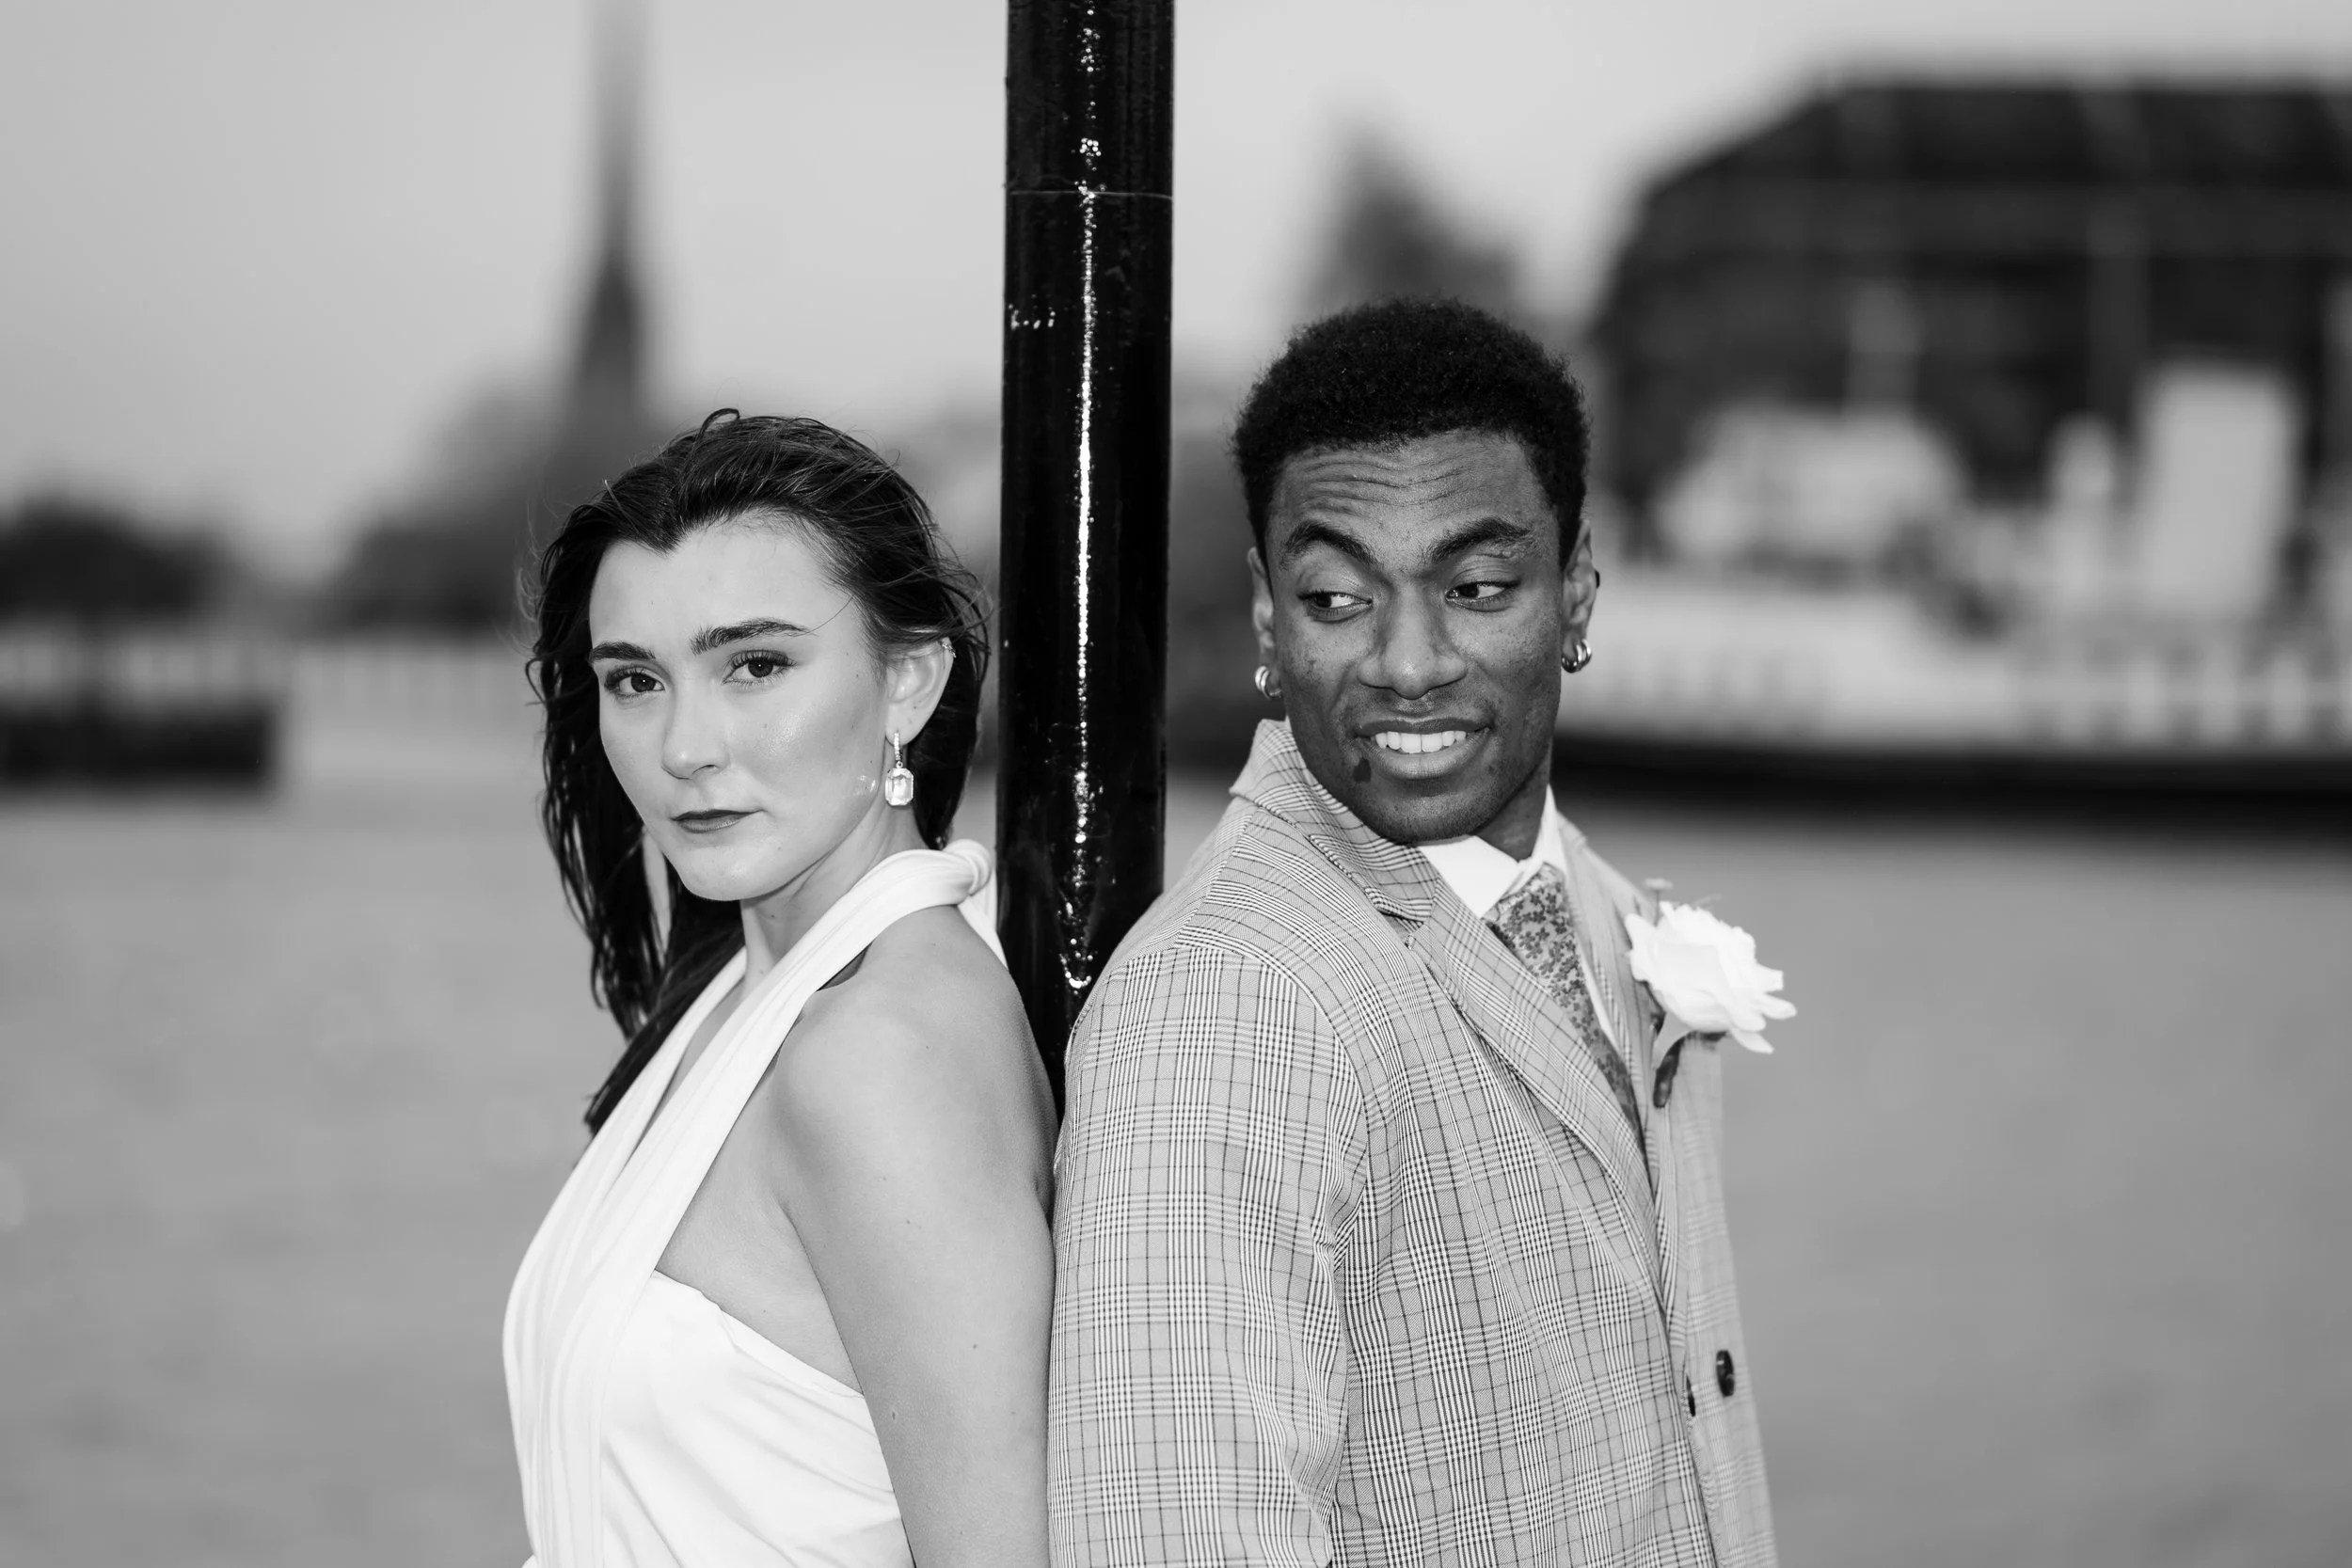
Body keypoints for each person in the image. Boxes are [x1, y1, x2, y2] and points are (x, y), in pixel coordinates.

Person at [1047, 300, 1777, 1566]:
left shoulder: (1611, 917)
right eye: (1335, 595)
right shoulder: (1224, 1001)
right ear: (1272, 624)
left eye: (1477, 586)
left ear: (1578, 594)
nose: (1406, 660)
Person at [505, 413, 1056, 1568]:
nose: (685, 744)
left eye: (755, 664)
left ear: (907, 680)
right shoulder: (747, 993)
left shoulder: (883, 1048)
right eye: (634, 679)